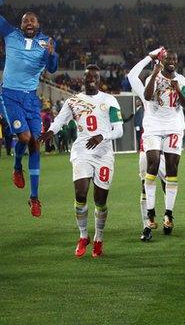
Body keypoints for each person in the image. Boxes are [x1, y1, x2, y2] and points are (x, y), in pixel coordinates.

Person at [39, 65, 123, 257]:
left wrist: (101, 136)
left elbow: (119, 130)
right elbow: (59, 121)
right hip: (82, 151)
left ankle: (98, 238)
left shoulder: (109, 100)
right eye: (87, 77)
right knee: (81, 192)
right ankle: (83, 235)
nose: (91, 79)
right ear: (82, 80)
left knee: (100, 200)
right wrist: (51, 132)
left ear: (100, 80)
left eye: (94, 76)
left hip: (104, 155)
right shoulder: (73, 101)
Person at [0, 0, 58, 216]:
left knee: (34, 144)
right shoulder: (10, 34)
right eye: (25, 21)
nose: (29, 23)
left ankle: (34, 198)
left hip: (31, 99)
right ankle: (16, 166)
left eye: (33, 20)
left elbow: (52, 68)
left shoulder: (46, 42)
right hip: (10, 95)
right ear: (21, 24)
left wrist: (52, 55)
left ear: (39, 24)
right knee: (24, 137)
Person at [141, 48, 185, 237]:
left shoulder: (181, 80)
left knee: (172, 169)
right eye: (168, 58)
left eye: (174, 59)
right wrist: (154, 74)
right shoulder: (152, 77)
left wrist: (178, 89)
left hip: (174, 127)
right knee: (152, 163)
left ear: (176, 62)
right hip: (153, 126)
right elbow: (146, 96)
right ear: (161, 60)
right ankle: (150, 213)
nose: (171, 61)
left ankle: (168, 214)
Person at [128, 48, 169, 242]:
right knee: (146, 185)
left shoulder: (173, 87)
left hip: (168, 145)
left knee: (168, 184)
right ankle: (147, 225)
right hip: (149, 146)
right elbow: (131, 75)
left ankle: (168, 216)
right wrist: (148, 57)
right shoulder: (146, 93)